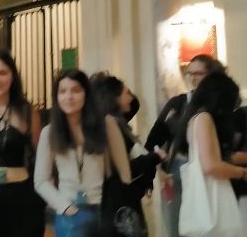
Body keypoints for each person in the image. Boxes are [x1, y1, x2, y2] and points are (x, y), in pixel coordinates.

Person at [34, 69, 131, 237]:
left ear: (86, 94)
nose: (69, 97)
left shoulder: (106, 125)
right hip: (70, 213)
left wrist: (118, 204)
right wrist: (65, 207)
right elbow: (40, 180)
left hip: (104, 210)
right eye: (63, 91)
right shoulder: (50, 132)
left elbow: (124, 173)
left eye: (76, 90)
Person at [144, 54, 225, 237]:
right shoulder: (178, 103)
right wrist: (161, 165)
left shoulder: (222, 104)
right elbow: (153, 140)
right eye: (190, 73)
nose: (194, 78)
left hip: (214, 170)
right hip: (180, 171)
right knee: (178, 228)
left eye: (199, 73)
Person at [0, 49, 44, 237]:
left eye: (2, 73)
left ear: (13, 76)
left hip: (22, 197)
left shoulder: (27, 111)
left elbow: (40, 156)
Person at [91, 72, 166, 236]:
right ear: (114, 98)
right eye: (126, 93)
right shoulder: (111, 127)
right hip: (118, 202)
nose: (130, 98)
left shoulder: (119, 123)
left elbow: (135, 104)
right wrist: (154, 158)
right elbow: (122, 168)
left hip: (126, 198)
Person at [171, 72, 246, 236]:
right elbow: (211, 166)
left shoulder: (195, 118)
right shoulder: (204, 119)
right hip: (211, 205)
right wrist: (242, 173)